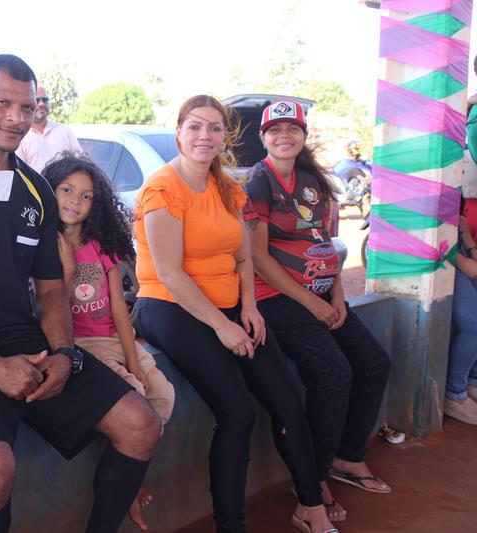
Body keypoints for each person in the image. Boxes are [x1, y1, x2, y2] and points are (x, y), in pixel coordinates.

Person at [0, 54, 162, 533]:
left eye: (27, 105)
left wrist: (61, 353)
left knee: (141, 425)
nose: (17, 117)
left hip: (27, 345)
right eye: (2, 103)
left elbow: (52, 288)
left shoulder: (36, 189)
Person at [133, 95, 337, 533]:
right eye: (194, 127)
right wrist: (222, 325)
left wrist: (248, 307)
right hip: (169, 305)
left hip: (229, 304)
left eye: (213, 128)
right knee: (238, 411)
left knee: (287, 399)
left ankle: (310, 505)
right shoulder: (163, 188)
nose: (204, 136)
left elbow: (244, 258)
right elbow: (169, 273)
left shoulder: (229, 189)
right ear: (179, 133)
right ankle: (231, 525)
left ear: (225, 136)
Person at [244, 99, 393, 523]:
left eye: (293, 128)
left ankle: (347, 457)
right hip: (278, 300)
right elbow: (259, 259)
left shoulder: (313, 181)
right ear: (263, 138)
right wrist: (311, 302)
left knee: (373, 361)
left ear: (304, 135)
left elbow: (328, 242)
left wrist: (337, 296)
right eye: (275, 130)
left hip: (322, 293)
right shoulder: (258, 185)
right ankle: (313, 478)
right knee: (333, 374)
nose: (284, 135)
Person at [43, 153, 175, 531]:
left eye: (86, 196)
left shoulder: (101, 243)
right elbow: (54, 310)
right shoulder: (45, 246)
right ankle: (129, 485)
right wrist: (67, 268)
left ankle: (130, 473)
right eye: (66, 190)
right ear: (49, 192)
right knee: (132, 396)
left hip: (115, 337)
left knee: (164, 395)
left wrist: (134, 355)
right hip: (82, 342)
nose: (75, 201)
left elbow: (119, 304)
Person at [444, 197, 477, 424]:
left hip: (459, 254)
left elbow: (460, 221)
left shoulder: (453, 180)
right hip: (443, 260)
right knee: (474, 324)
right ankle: (454, 393)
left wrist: (471, 248)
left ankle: (472, 380)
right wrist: (463, 261)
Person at [16, 84, 82, 172]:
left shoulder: (64, 132)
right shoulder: (19, 135)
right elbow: (20, 172)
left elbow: (81, 163)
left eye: (45, 100)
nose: (42, 104)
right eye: (37, 100)